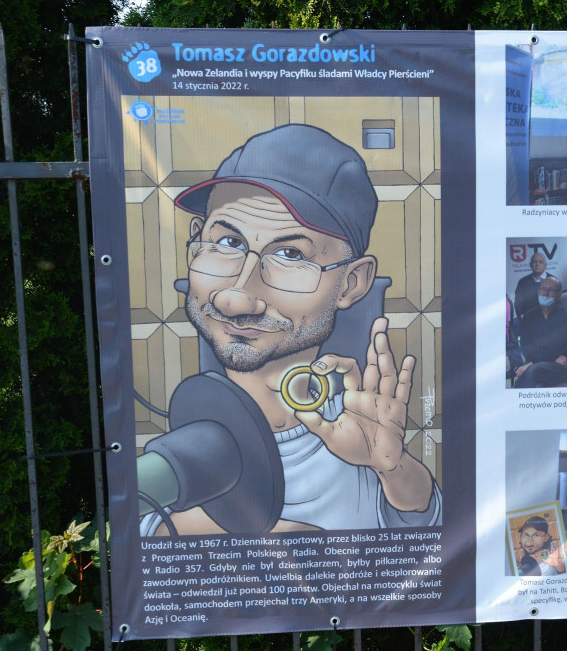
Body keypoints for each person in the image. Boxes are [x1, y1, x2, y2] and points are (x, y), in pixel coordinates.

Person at [144, 124, 441, 534]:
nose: (235, 299)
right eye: (228, 243)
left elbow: (425, 531)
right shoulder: (167, 458)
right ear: (196, 242)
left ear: (351, 283)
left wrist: (393, 468)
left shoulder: (360, 431)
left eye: (289, 254)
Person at [513, 277, 567, 388]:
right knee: (538, 385)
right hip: (537, 366)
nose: (545, 293)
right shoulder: (529, 317)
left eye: (551, 290)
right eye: (543, 289)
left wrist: (533, 362)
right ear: (538, 291)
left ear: (559, 295)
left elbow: (560, 349)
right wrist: (536, 361)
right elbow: (526, 348)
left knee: (532, 370)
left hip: (559, 367)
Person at [514, 251, 550, 319]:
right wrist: (522, 317)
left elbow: (558, 303)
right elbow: (518, 303)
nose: (537, 264)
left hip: (548, 320)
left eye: (540, 262)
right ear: (530, 265)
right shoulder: (522, 282)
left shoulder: (553, 281)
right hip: (528, 320)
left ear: (545, 265)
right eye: (534, 262)